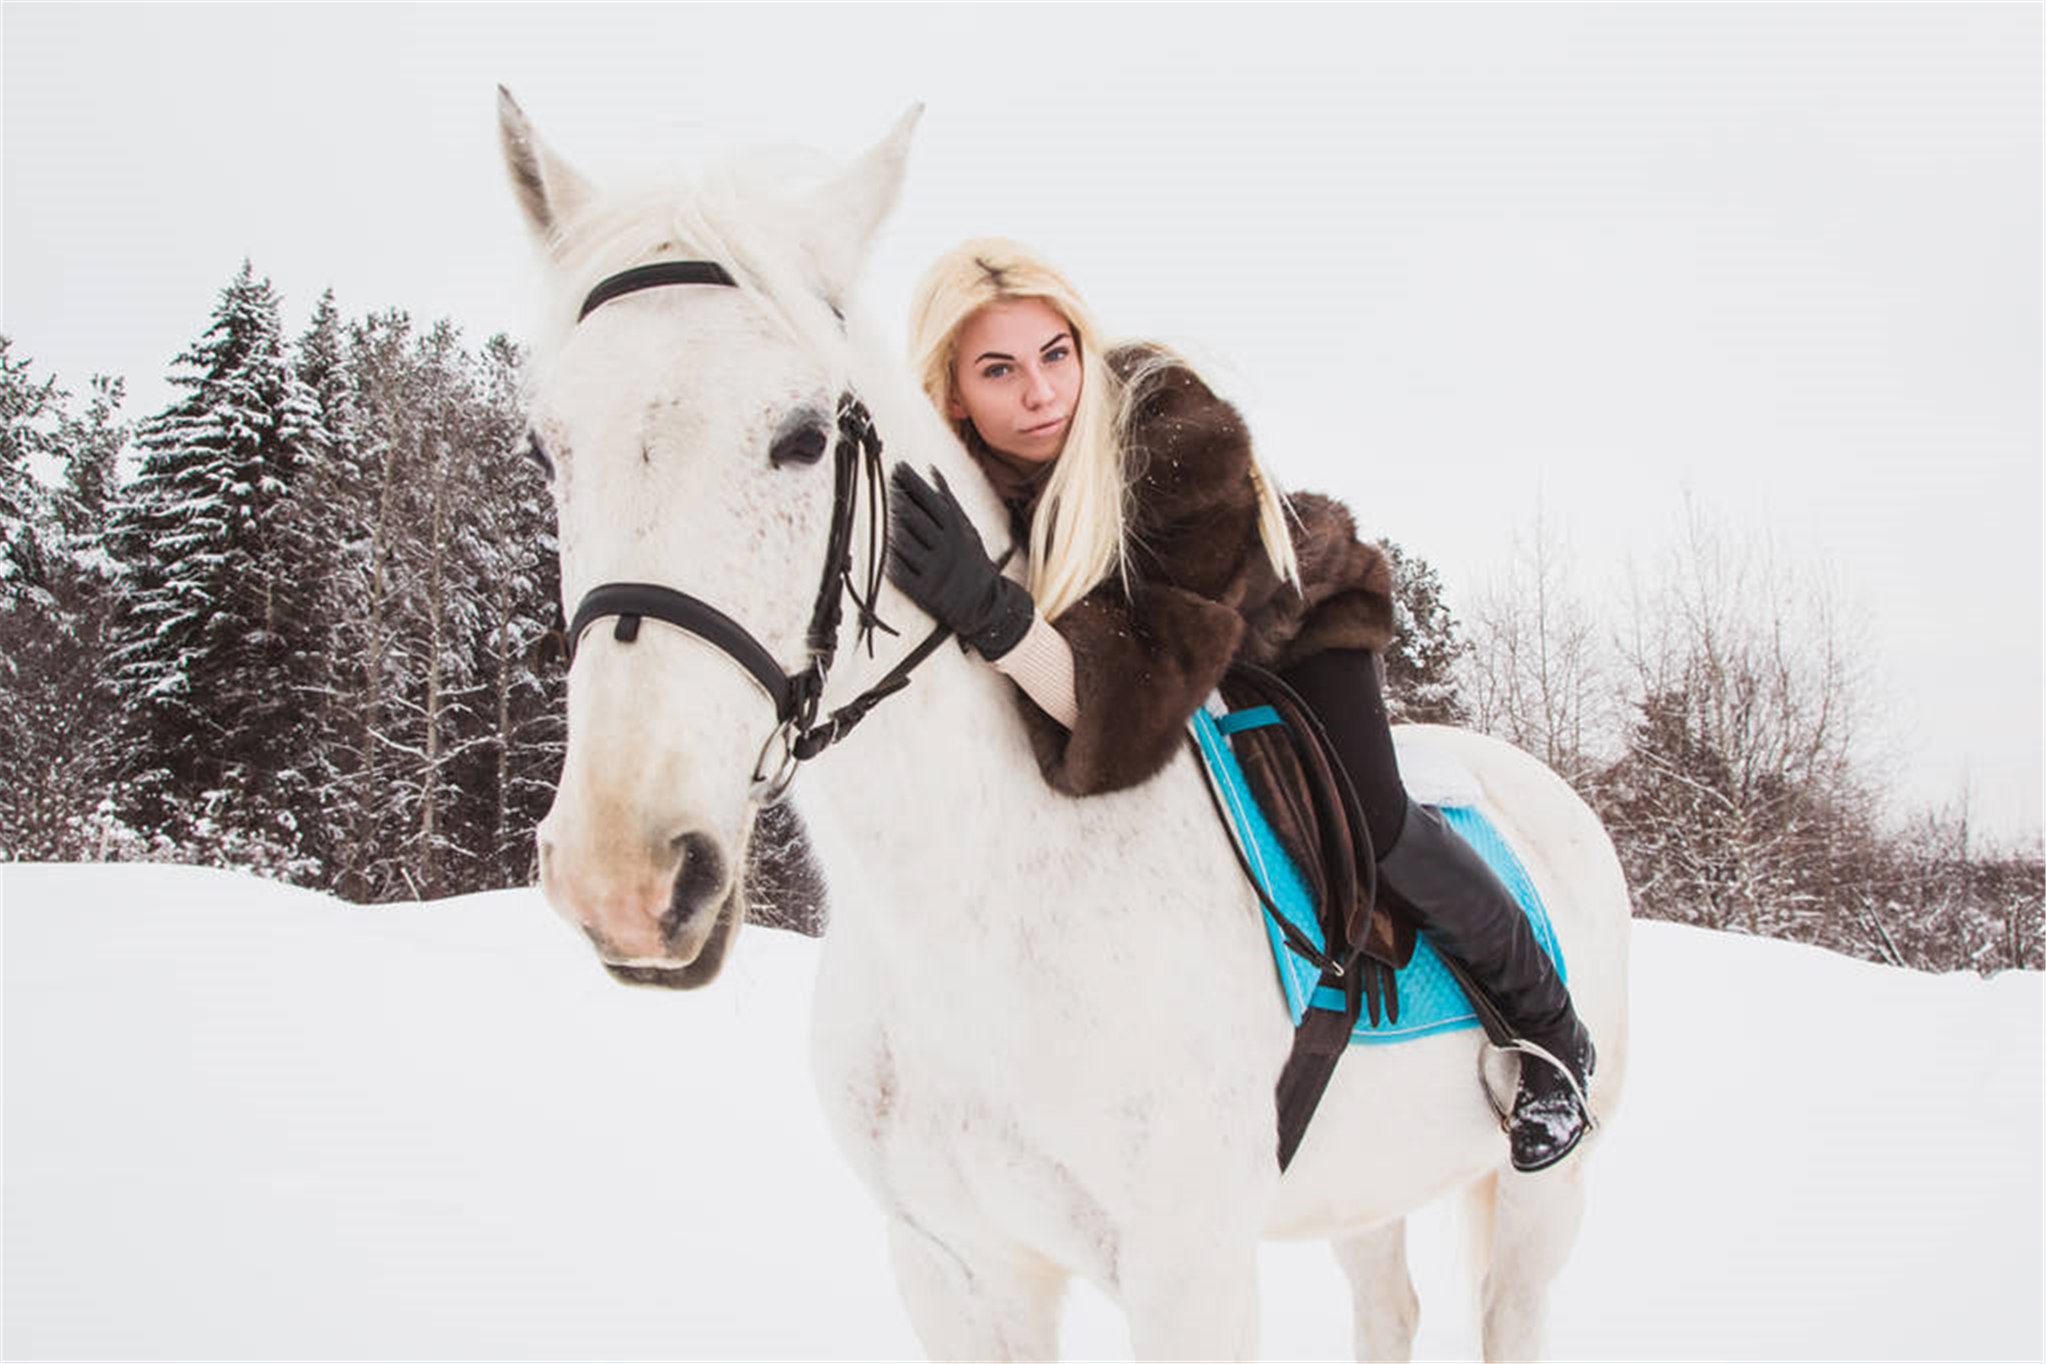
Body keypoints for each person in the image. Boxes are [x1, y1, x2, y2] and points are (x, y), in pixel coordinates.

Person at [885, 239, 1596, 1172]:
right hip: (1154, 657)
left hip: (1288, 625)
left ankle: (1551, 1034)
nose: (1042, 392)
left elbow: (1126, 706)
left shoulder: (1168, 428)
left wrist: (990, 613)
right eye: (1000, 370)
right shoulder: (961, 478)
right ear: (952, 394)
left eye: (1057, 353)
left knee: (1368, 823)